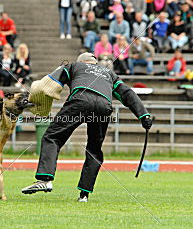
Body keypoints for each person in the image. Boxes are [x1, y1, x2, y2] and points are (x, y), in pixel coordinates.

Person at [21, 52, 152, 202]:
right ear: (95, 63)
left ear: (82, 62)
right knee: (94, 149)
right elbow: (127, 94)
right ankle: (84, 195)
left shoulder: (73, 66)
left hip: (80, 100)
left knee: (52, 137)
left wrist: (36, 100)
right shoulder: (109, 73)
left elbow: (48, 84)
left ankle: (44, 180)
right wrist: (144, 115)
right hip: (104, 105)